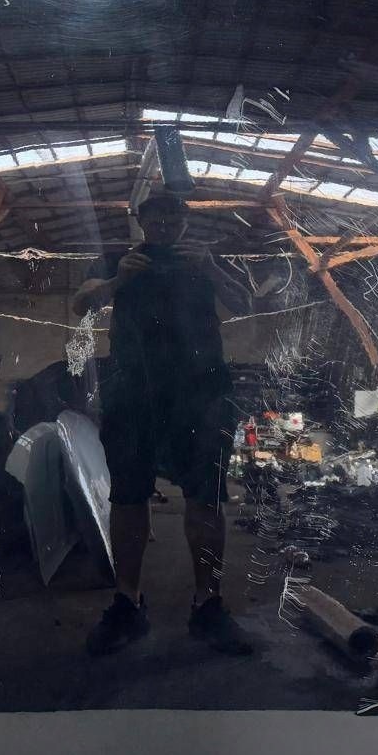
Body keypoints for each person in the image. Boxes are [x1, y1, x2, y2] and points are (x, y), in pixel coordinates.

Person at [71, 190, 259, 656]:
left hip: (200, 394)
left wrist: (211, 269)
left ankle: (208, 604)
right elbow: (82, 304)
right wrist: (117, 280)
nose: (164, 224)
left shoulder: (203, 258)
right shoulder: (118, 259)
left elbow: (245, 304)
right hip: (134, 392)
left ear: (185, 221)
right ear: (141, 220)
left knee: (207, 497)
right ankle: (127, 602)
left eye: (173, 216)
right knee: (128, 496)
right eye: (155, 217)